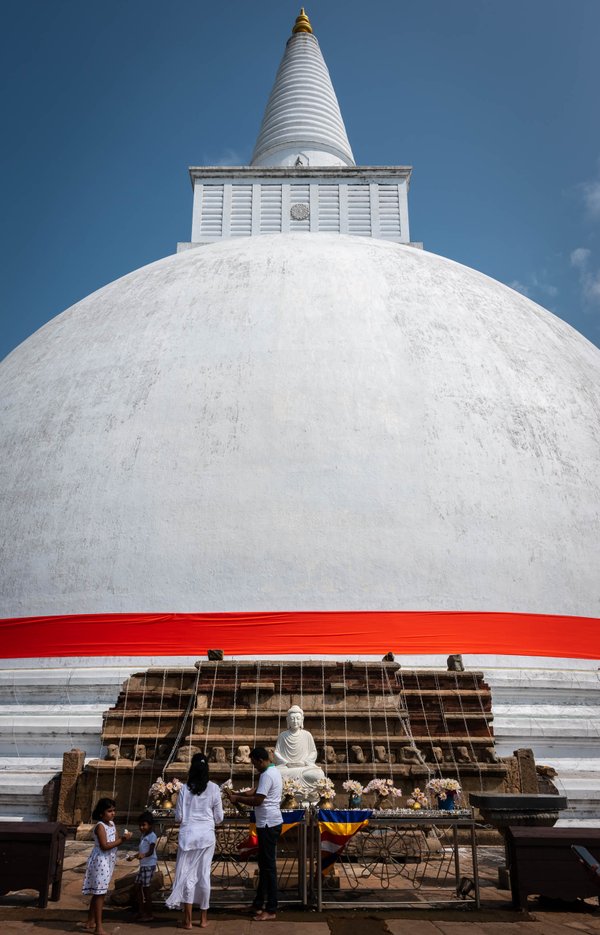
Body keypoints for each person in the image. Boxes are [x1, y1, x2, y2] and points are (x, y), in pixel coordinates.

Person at [166, 752, 224, 929]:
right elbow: (219, 818)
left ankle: (188, 920)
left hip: (188, 836)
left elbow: (179, 817)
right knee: (203, 875)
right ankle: (204, 918)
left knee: (188, 877)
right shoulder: (214, 788)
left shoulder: (184, 788)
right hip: (206, 835)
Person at [227, 746, 283, 922]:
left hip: (268, 823)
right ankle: (259, 903)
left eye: (254, 764)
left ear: (260, 760)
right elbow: (256, 790)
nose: (254, 767)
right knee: (264, 865)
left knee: (269, 867)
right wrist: (237, 793)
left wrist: (238, 799)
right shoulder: (272, 770)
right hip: (268, 822)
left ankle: (271, 908)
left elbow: (258, 800)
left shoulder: (267, 774)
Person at [82, 797, 132, 935]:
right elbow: (104, 846)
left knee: (99, 892)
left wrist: (121, 839)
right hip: (100, 861)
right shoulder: (100, 826)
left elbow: (114, 841)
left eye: (114, 811)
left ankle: (90, 920)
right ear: (101, 813)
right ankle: (99, 926)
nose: (113, 813)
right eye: (109, 811)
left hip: (108, 861)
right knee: (100, 894)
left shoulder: (111, 824)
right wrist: (122, 839)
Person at [273, 705, 325, 797]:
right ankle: (290, 792)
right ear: (288, 720)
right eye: (292, 719)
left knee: (318, 774)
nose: (295, 721)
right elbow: (277, 752)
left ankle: (297, 792)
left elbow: (313, 752)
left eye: (297, 718)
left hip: (304, 767)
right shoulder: (283, 735)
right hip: (286, 768)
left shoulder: (307, 735)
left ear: (302, 720)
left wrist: (304, 762)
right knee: (274, 773)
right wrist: (286, 762)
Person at [126, 810, 158, 922]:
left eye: (144, 825)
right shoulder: (143, 836)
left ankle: (149, 913)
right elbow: (142, 851)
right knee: (137, 887)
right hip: (144, 865)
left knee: (146, 889)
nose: (141, 827)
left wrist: (143, 855)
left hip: (149, 865)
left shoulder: (152, 836)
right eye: (140, 825)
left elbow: (150, 851)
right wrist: (133, 856)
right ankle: (141, 911)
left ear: (150, 825)